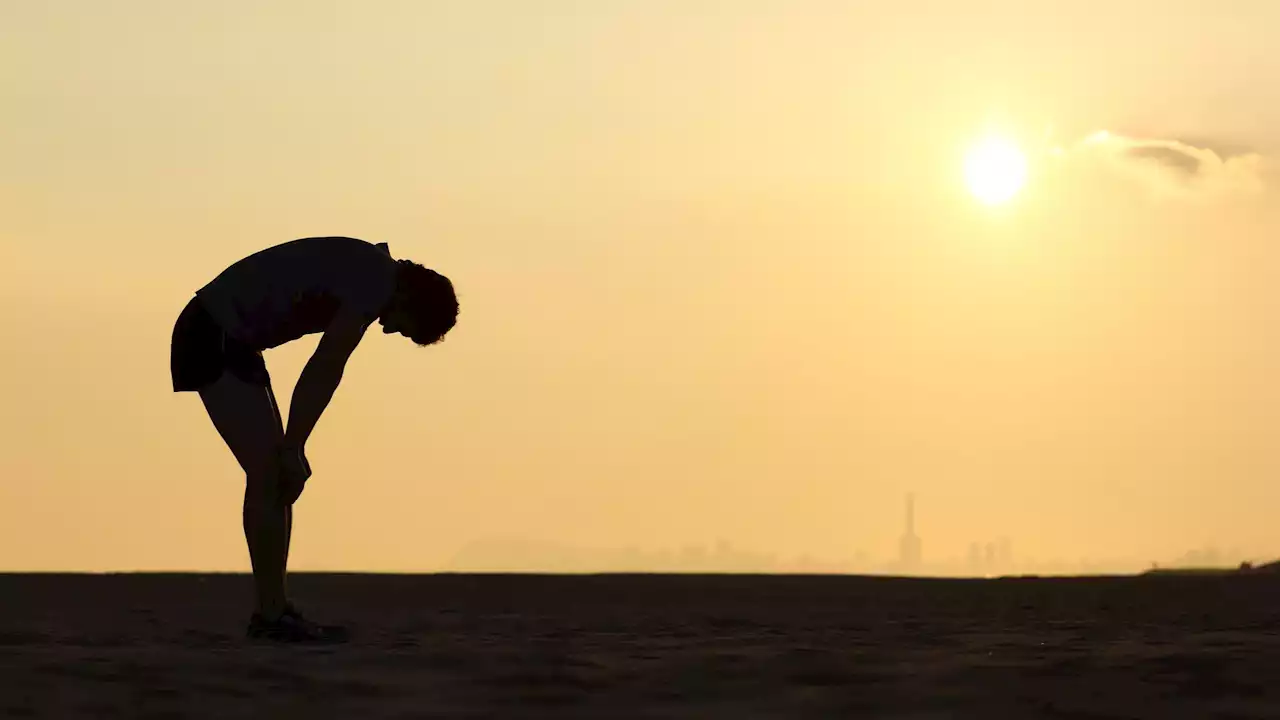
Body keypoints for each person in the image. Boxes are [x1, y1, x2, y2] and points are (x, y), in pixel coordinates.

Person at [169, 236, 458, 642]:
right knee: (269, 472)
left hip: (235, 343)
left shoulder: (373, 271)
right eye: (406, 329)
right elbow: (326, 366)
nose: (390, 330)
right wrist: (294, 445)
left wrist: (293, 446)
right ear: (411, 298)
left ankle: (275, 609)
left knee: (277, 478)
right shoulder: (374, 279)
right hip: (210, 334)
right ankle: (269, 617)